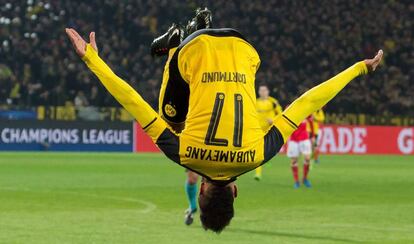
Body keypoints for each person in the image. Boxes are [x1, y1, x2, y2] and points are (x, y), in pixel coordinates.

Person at [65, 21, 383, 232]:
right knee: (168, 117)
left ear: (235, 191)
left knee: (176, 118)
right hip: (196, 49)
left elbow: (305, 104)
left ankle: (190, 38)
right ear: (203, 189)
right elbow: (133, 101)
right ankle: (175, 47)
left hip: (244, 48)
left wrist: (359, 69)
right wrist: (92, 61)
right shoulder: (184, 156)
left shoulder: (259, 154)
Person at [151, 8, 213, 226]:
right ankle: (188, 40)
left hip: (195, 129)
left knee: (173, 116)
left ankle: (181, 43)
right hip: (200, 126)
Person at [254, 83, 282, 180]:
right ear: (258, 92)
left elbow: (281, 114)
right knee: (259, 151)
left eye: (264, 90)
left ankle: (267, 158)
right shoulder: (255, 102)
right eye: (261, 90)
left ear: (268, 92)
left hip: (269, 129)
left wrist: (273, 120)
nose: (262, 92)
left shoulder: (273, 102)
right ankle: (258, 173)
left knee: (266, 150)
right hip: (257, 130)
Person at [287, 118, 312, 188]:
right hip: (294, 139)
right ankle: (296, 181)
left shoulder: (305, 109)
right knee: (294, 161)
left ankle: (305, 178)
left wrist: (312, 135)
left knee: (307, 159)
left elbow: (311, 121)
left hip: (304, 138)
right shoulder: (289, 109)